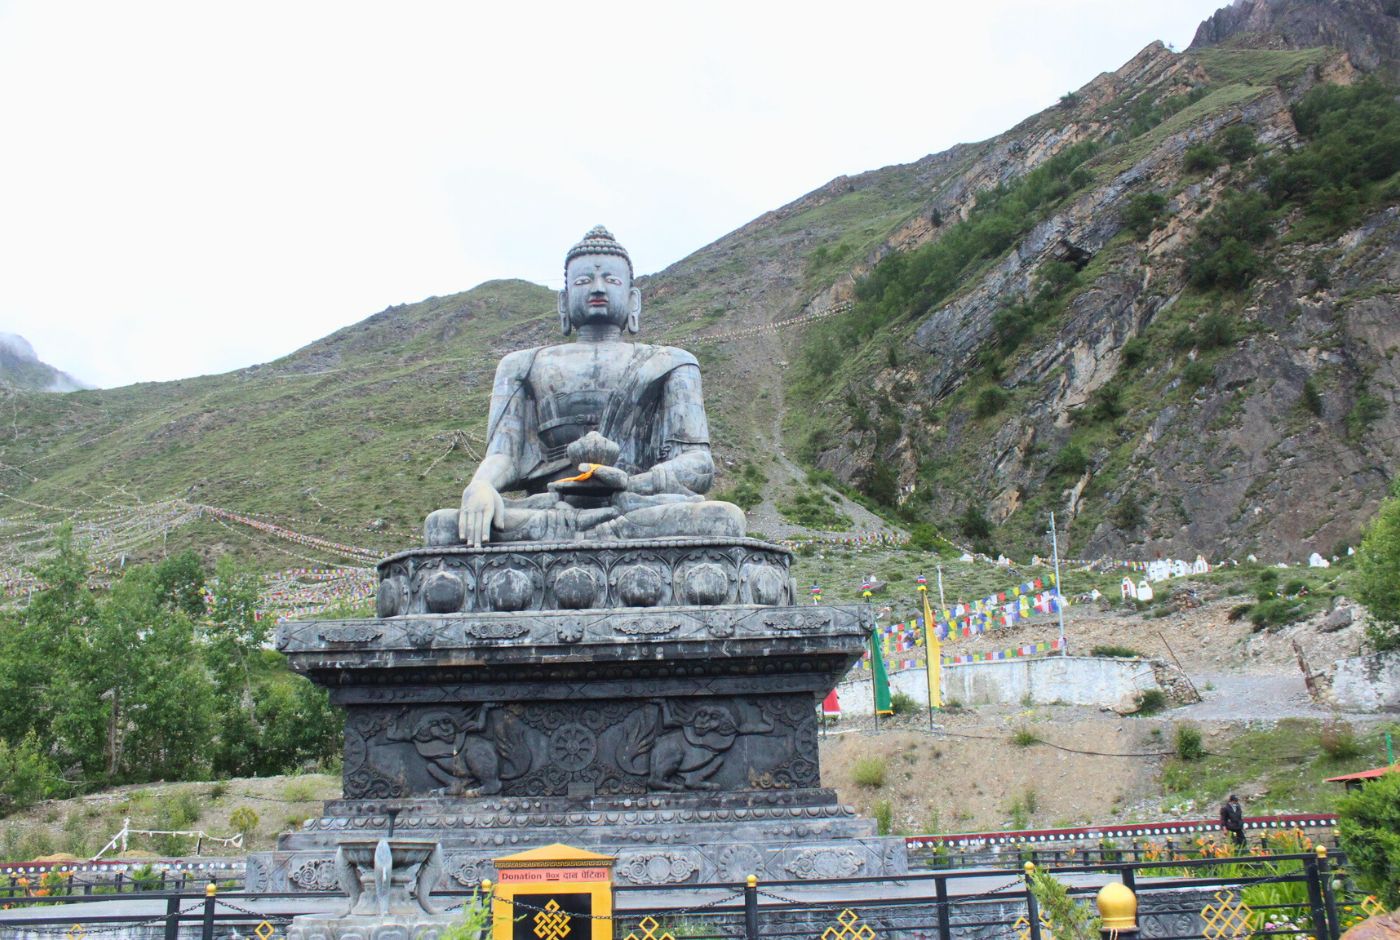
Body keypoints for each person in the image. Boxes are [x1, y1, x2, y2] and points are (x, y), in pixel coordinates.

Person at [424, 226, 744, 545]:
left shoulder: (671, 361)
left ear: (634, 300)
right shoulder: (521, 364)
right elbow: (504, 455)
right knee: (443, 527)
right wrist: (481, 486)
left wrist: (632, 484)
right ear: (563, 301)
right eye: (583, 281)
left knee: (723, 519)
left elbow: (699, 465)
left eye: (612, 280)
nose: (598, 288)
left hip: (632, 504)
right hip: (549, 506)